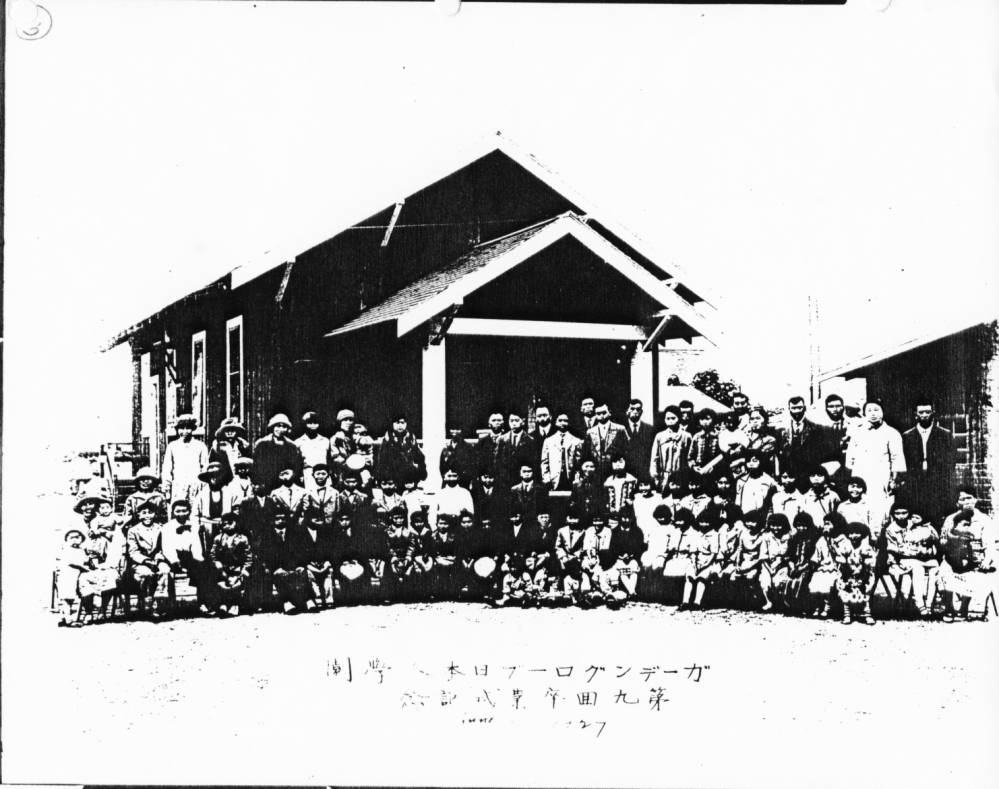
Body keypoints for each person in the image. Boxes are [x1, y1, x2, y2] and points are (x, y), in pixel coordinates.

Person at [937, 487, 998, 622]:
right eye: (962, 499)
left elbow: (989, 544)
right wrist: (950, 541)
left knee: (972, 576)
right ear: (957, 502)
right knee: (944, 571)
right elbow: (942, 541)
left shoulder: (984, 520)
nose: (966, 502)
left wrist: (987, 561)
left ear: (975, 500)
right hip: (952, 558)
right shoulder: (950, 519)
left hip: (975, 559)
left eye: (969, 498)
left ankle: (964, 607)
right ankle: (949, 608)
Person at [845, 401, 906, 531]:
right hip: (861, 476)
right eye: (869, 411)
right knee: (860, 509)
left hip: (880, 478)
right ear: (864, 414)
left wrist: (893, 480)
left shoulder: (892, 433)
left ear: (883, 412)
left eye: (876, 410)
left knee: (880, 511)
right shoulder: (857, 432)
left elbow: (897, 459)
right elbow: (850, 458)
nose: (873, 414)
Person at [901, 399, 956, 524]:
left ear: (933, 413)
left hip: (937, 482)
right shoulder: (907, 436)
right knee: (917, 513)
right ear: (916, 414)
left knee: (937, 514)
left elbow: (951, 460)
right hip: (915, 482)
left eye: (927, 412)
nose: (924, 415)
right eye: (921, 412)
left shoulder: (945, 435)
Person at [884, 502, 940, 618]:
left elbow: (934, 539)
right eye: (897, 513)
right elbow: (893, 548)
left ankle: (930, 604)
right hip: (905, 558)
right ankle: (920, 603)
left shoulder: (915, 523)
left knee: (935, 569)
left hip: (925, 557)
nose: (901, 516)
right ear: (893, 514)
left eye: (904, 513)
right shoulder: (891, 529)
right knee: (917, 569)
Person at [160, 499, 214, 614]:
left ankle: (203, 602)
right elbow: (167, 547)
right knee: (197, 569)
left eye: (184, 511)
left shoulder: (194, 526)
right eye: (178, 511)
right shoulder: (167, 527)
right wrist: (175, 561)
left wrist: (199, 559)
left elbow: (196, 545)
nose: (181, 514)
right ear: (173, 512)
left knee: (205, 568)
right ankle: (171, 606)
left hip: (190, 556)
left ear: (189, 512)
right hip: (173, 557)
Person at [260, 507, 315, 614]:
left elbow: (301, 551)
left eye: (283, 518)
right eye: (277, 519)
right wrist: (276, 567)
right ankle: (286, 602)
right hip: (276, 566)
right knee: (278, 575)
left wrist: (298, 564)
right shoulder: (267, 535)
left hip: (294, 564)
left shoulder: (294, 532)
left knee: (302, 572)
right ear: (272, 520)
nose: (280, 521)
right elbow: (266, 554)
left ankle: (308, 600)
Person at [127, 501, 171, 618]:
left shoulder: (160, 528)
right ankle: (147, 604)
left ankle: (160, 603)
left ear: (155, 514)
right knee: (147, 574)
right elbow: (133, 551)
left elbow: (163, 547)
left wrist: (158, 558)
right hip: (140, 562)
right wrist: (146, 560)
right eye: (144, 513)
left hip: (157, 559)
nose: (147, 516)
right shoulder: (133, 530)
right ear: (139, 515)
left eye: (150, 513)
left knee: (165, 570)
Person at [209, 512, 254, 617]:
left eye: (230, 523)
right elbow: (212, 554)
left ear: (236, 523)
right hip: (223, 569)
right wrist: (217, 563)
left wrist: (244, 569)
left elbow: (248, 557)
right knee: (221, 583)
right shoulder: (218, 538)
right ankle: (223, 603)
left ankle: (235, 604)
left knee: (238, 582)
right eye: (224, 524)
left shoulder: (242, 538)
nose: (227, 526)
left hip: (238, 568)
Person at [834, 521, 877, 625]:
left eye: (856, 533)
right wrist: (843, 562)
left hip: (863, 574)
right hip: (847, 574)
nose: (853, 536)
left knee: (865, 593)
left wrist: (866, 565)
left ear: (862, 534)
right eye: (850, 533)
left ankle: (867, 614)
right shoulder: (845, 546)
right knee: (845, 593)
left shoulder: (865, 547)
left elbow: (871, 560)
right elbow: (840, 558)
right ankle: (847, 614)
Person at [807, 511, 848, 619]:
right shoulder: (821, 540)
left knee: (828, 583)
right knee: (815, 582)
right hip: (823, 568)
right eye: (824, 523)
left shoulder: (843, 540)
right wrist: (813, 564)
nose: (825, 526)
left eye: (828, 524)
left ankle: (827, 606)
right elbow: (817, 556)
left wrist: (834, 548)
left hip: (836, 568)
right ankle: (817, 606)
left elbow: (845, 556)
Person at [777, 396, 824, 490]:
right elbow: (779, 457)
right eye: (793, 408)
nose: (796, 411)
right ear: (789, 409)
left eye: (799, 408)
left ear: (805, 408)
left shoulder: (816, 429)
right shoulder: (781, 431)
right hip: (789, 478)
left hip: (808, 477)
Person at [161, 413, 209, 504]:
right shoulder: (172, 446)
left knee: (195, 510)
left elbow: (205, 468)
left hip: (196, 485)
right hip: (178, 486)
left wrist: (205, 487)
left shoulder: (200, 446)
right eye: (181, 428)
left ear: (193, 429)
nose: (185, 431)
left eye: (188, 428)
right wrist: (167, 489)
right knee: (179, 510)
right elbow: (167, 469)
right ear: (177, 429)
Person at [252, 414, 305, 491]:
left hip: (285, 484)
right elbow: (257, 466)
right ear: (272, 427)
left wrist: (291, 473)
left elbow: (297, 465)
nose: (280, 429)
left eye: (284, 426)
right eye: (278, 426)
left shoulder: (292, 446)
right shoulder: (262, 444)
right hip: (267, 483)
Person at [555, 512, 597, 604]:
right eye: (571, 518)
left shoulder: (583, 532)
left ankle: (585, 592)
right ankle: (560, 590)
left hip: (578, 558)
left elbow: (585, 547)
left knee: (585, 568)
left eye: (575, 518)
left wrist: (577, 556)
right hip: (565, 557)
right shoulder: (561, 531)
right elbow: (558, 546)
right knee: (561, 567)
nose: (573, 521)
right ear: (566, 519)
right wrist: (563, 557)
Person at [649, 405, 692, 494]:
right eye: (667, 418)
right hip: (664, 476)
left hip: (681, 476)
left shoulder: (686, 436)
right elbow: (654, 457)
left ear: (679, 418)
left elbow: (690, 457)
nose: (670, 421)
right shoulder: (660, 436)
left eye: (673, 418)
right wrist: (655, 475)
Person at [376, 414, 427, 486]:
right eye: (397, 423)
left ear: (406, 424)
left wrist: (419, 469)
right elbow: (382, 459)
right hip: (392, 475)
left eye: (402, 423)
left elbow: (419, 456)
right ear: (392, 424)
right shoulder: (387, 439)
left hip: (408, 476)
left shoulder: (411, 438)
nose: (400, 425)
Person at [190, 461, 231, 550]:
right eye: (211, 476)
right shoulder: (201, 495)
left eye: (217, 475)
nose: (214, 478)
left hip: (225, 527)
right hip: (206, 528)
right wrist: (196, 529)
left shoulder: (230, 493)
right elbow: (194, 515)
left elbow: (236, 511)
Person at [300, 509, 335, 607]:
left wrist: (327, 562)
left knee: (329, 573)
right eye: (316, 519)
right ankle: (317, 598)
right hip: (309, 564)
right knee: (309, 575)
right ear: (308, 519)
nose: (320, 522)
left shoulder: (325, 531)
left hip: (323, 562)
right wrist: (309, 564)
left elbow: (331, 549)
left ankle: (329, 599)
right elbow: (299, 552)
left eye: (321, 519)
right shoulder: (300, 533)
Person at [541, 413, 585, 492]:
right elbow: (544, 462)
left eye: (565, 421)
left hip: (569, 480)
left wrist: (576, 478)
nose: (563, 423)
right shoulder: (548, 441)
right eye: (560, 420)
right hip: (554, 480)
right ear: (555, 422)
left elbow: (578, 463)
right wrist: (547, 478)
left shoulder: (576, 441)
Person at [585, 403, 628, 483]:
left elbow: (627, 450)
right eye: (598, 413)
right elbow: (587, 453)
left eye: (604, 413)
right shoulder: (590, 432)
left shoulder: (620, 429)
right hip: (596, 472)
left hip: (615, 471)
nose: (601, 415)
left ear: (609, 413)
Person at [56, 529, 88, 626]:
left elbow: (84, 560)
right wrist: (83, 567)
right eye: (71, 538)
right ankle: (68, 619)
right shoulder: (66, 550)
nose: (74, 540)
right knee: (66, 598)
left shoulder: (82, 551)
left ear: (82, 539)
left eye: (77, 537)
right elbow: (71, 562)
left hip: (77, 576)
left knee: (76, 598)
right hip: (66, 576)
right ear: (66, 540)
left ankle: (72, 618)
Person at [496, 412, 538, 485]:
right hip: (505, 481)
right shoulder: (502, 439)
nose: (514, 423)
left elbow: (533, 462)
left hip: (522, 481)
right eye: (511, 421)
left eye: (516, 420)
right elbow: (497, 461)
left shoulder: (530, 440)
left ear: (523, 422)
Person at [209, 416, 251, 487]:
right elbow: (212, 465)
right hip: (225, 482)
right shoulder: (217, 448)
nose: (230, 433)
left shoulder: (242, 446)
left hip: (241, 481)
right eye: (227, 431)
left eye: (232, 430)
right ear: (223, 432)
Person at [622, 399, 655, 483]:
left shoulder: (649, 429)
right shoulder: (621, 429)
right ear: (627, 411)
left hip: (644, 473)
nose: (635, 411)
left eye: (638, 409)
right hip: (626, 473)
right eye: (632, 409)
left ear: (641, 412)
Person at [735, 450, 777, 515]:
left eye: (755, 461)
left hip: (763, 518)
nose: (751, 464)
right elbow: (737, 504)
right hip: (746, 519)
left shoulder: (769, 481)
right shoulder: (741, 481)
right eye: (748, 461)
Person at [686, 409, 723, 479]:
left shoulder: (718, 436)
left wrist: (715, 467)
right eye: (702, 419)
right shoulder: (696, 437)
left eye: (708, 419)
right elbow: (690, 457)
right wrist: (694, 467)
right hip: (699, 471)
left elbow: (721, 455)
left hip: (714, 471)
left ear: (713, 420)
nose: (705, 422)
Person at [744, 407, 779, 475]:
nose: (755, 421)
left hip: (762, 473)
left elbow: (760, 456)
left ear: (765, 420)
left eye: (758, 418)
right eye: (752, 419)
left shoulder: (770, 440)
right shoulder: (744, 437)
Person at [329, 409, 358, 482]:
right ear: (340, 422)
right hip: (342, 471)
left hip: (357, 469)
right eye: (345, 420)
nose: (348, 422)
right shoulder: (335, 438)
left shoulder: (356, 437)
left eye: (350, 420)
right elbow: (336, 458)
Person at [476, 412, 507, 480]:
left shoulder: (508, 440)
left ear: (503, 423)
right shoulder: (482, 442)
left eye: (499, 420)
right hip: (487, 479)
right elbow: (478, 462)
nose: (496, 422)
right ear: (489, 424)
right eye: (494, 420)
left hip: (503, 478)